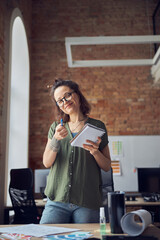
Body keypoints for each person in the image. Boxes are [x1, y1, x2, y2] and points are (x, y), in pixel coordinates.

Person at [40, 78, 111, 224]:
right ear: (58, 106)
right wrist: (55, 139)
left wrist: (95, 151)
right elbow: (47, 163)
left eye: (67, 95)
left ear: (77, 94)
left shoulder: (97, 126)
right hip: (57, 200)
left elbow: (107, 166)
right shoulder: (55, 128)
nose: (65, 101)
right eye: (60, 100)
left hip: (87, 201)